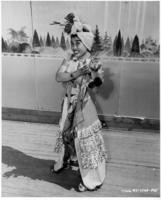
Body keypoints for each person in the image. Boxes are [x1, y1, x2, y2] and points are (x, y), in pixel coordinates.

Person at [52, 13, 108, 192]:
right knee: (65, 135)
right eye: (72, 43)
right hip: (68, 105)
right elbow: (58, 77)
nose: (74, 47)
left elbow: (97, 84)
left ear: (86, 45)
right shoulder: (69, 60)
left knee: (85, 142)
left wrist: (94, 76)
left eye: (78, 44)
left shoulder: (92, 62)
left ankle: (90, 178)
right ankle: (66, 160)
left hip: (83, 107)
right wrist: (76, 73)